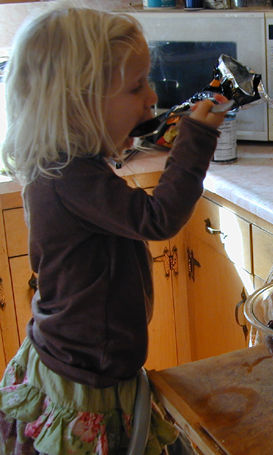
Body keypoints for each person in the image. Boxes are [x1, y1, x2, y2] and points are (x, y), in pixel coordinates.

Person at [0, 3, 227, 454]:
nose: (151, 97)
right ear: (78, 103)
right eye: (135, 86)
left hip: (80, 361)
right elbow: (157, 219)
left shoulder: (64, 167)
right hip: (86, 379)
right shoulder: (71, 178)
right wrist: (195, 139)